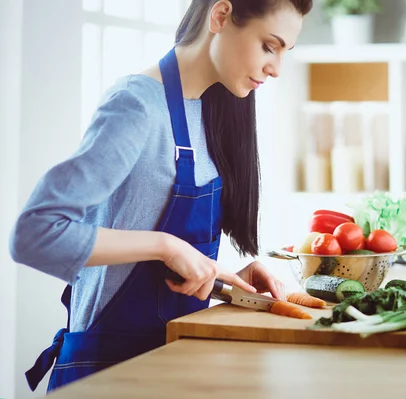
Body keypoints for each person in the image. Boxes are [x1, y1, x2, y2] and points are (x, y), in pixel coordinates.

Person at [9, 0, 312, 393]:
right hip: (109, 375)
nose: (276, 69)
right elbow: (34, 234)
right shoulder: (136, 105)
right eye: (269, 46)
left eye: (285, 52)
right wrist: (166, 245)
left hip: (175, 368)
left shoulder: (208, 108)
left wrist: (226, 283)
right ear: (220, 16)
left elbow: (153, 264)